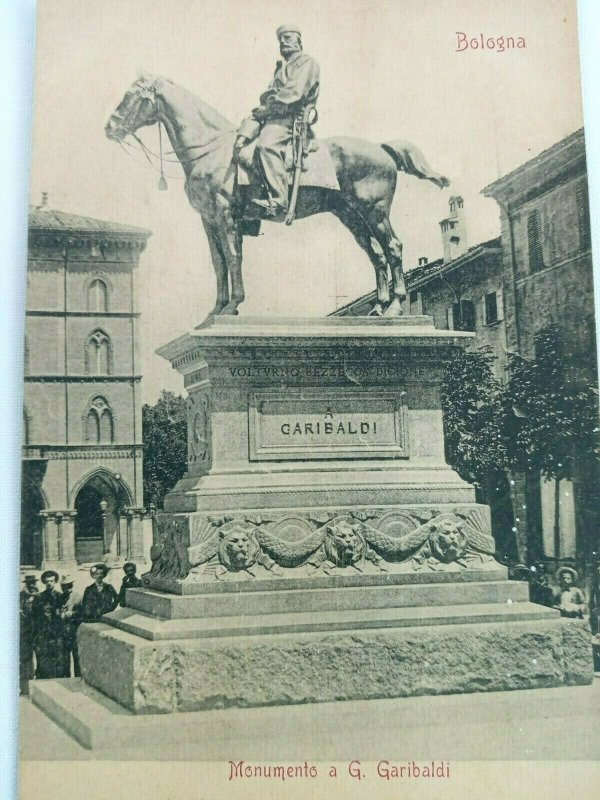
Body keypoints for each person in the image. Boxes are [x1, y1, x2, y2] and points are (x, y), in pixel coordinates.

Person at [235, 24, 320, 219]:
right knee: (241, 137)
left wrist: (267, 109)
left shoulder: (307, 62)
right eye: (281, 39)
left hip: (290, 115)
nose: (283, 42)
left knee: (267, 144)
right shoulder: (281, 67)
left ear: (299, 41)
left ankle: (279, 199)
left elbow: (294, 94)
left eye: (288, 38)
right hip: (273, 113)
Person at [31, 570, 65, 679]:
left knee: (58, 659)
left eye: (52, 581)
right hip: (43, 633)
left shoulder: (60, 596)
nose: (49, 583)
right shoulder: (39, 597)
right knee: (43, 659)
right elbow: (34, 617)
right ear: (44, 583)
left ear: (55, 582)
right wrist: (35, 635)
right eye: (47, 581)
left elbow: (62, 614)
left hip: (56, 633)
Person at [19, 574, 39, 694]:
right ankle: (25, 687)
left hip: (37, 630)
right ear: (26, 583)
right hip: (25, 631)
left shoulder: (38, 595)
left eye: (33, 582)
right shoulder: (22, 596)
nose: (31, 585)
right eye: (29, 582)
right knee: (25, 658)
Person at [60, 575, 82, 677]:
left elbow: (83, 613)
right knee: (64, 658)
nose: (66, 588)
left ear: (72, 585)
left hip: (75, 632)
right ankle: (66, 679)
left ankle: (78, 677)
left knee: (77, 657)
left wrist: (73, 613)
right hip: (63, 633)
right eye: (63, 586)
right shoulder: (59, 597)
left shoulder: (78, 597)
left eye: (68, 586)